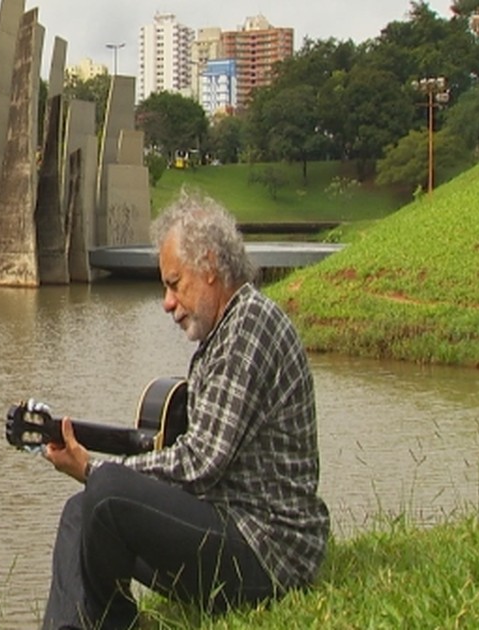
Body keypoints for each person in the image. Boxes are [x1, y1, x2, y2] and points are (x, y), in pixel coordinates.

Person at [41, 195, 330, 629]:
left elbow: (201, 462)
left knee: (106, 492)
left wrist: (94, 468)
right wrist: (99, 477)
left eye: (175, 283)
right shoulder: (223, 333)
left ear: (210, 266)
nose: (167, 302)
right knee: (81, 512)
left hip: (270, 553)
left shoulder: (248, 327)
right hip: (228, 526)